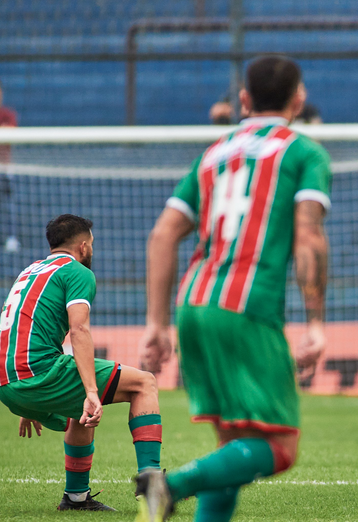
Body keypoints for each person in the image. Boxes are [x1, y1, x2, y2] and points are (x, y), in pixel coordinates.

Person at [136, 55, 331, 522]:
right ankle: (168, 486)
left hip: (194, 304)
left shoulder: (212, 154)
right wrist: (316, 323)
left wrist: (156, 324)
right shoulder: (303, 152)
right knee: (280, 448)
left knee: (233, 446)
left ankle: (168, 498)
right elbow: (308, 237)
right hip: (247, 307)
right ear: (299, 99)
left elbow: (162, 235)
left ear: (244, 100)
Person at [0, 214, 162, 511]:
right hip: (36, 373)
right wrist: (91, 390)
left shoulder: (30, 271)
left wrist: (26, 397)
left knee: (83, 410)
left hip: (8, 379)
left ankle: (76, 498)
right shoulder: (76, 272)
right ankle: (153, 487)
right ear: (84, 246)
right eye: (92, 245)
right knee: (144, 383)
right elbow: (79, 330)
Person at [0, 79, 20, 253]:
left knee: (9, 204)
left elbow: (10, 134)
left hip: (5, 169)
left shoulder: (8, 115)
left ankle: (11, 237)